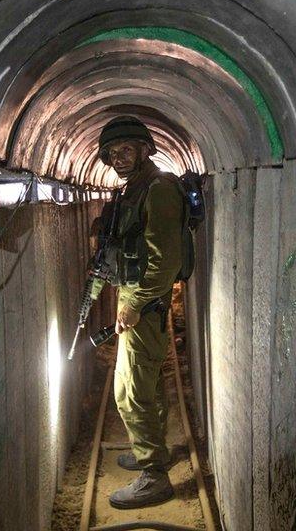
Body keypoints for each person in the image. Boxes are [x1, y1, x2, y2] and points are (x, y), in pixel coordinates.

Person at [98, 115, 185, 509]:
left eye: (126, 150)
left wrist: (134, 305)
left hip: (144, 302)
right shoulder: (135, 188)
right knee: (142, 384)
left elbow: (166, 260)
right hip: (136, 298)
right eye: (113, 153)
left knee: (130, 392)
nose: (119, 158)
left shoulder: (158, 189)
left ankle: (154, 475)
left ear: (145, 149)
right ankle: (152, 450)